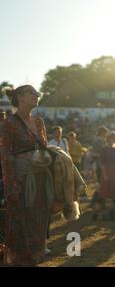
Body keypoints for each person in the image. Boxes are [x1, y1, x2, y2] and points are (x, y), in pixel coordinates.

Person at [0, 86, 50, 266]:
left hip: (40, 179)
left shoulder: (39, 122)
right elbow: (5, 155)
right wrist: (11, 185)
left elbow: (44, 150)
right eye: (33, 93)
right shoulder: (9, 123)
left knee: (39, 224)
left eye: (38, 94)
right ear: (20, 97)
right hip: (19, 181)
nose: (37, 96)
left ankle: (35, 258)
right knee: (21, 226)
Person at [93, 132, 115, 219]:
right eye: (111, 138)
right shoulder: (104, 149)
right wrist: (105, 174)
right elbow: (102, 163)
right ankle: (95, 213)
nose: (113, 140)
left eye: (114, 138)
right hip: (107, 171)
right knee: (103, 193)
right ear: (108, 139)